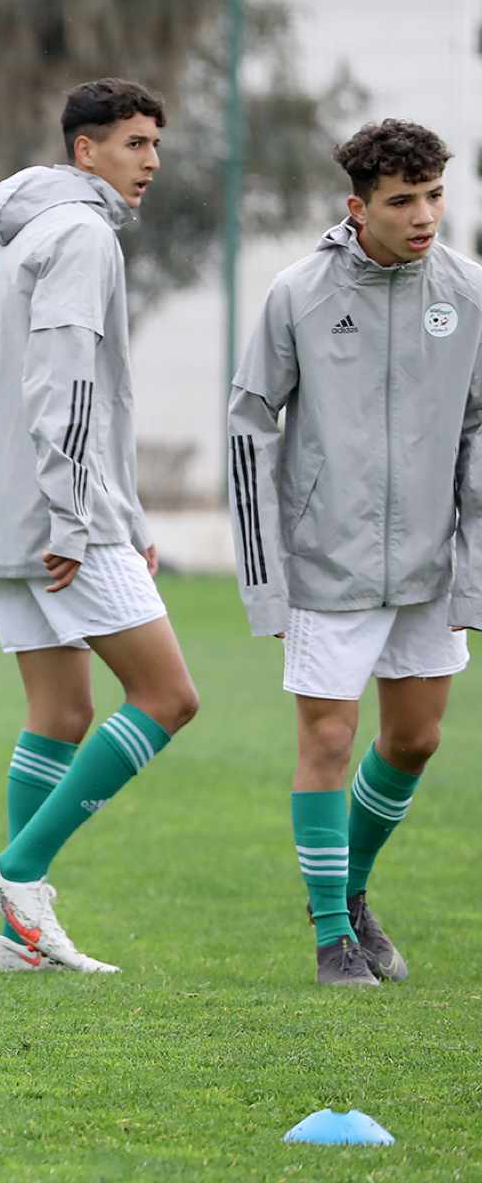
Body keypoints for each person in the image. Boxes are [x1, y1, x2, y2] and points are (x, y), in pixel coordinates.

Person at [227, 119, 480, 986]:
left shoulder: (469, 294)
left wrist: (472, 573)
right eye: (403, 201)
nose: (424, 216)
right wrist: (265, 584)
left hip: (426, 566)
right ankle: (334, 937)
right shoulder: (298, 293)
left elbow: (481, 437)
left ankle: (351, 890)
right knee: (330, 737)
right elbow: (249, 431)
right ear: (357, 206)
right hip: (325, 564)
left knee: (414, 741)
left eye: (435, 196)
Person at [0, 78, 201, 974]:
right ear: (84, 151)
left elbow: (88, 397)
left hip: (19, 514)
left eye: (155, 145)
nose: (150, 162)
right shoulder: (82, 233)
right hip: (62, 521)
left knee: (60, 713)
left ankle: (20, 943)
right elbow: (62, 384)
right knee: (171, 697)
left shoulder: (36, 229)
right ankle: (18, 871)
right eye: (133, 144)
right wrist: (78, 515)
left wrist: (122, 510)